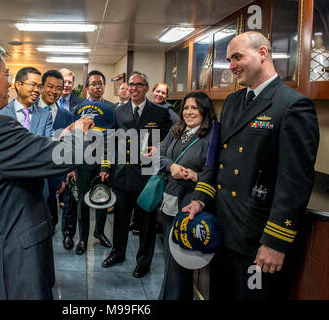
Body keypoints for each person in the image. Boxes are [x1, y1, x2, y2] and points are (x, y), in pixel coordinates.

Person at [0, 40, 94, 299]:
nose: (9, 83)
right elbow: (65, 155)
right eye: (6, 75)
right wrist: (78, 134)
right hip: (13, 264)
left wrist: (61, 138)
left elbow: (27, 155)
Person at [210, 31, 319, 300]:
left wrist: (275, 242)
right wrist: (202, 199)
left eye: (237, 57)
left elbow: (294, 181)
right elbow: (218, 159)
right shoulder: (234, 101)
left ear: (262, 54)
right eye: (229, 59)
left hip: (256, 240)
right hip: (223, 229)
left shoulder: (293, 105)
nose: (232, 65)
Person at [101, 71, 171, 279]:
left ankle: (143, 263)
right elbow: (110, 140)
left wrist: (157, 148)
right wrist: (105, 167)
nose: (134, 88)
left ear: (146, 88)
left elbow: (168, 139)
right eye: (131, 85)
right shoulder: (119, 111)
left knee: (146, 223)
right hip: (122, 173)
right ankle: (118, 253)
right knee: (120, 219)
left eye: (139, 85)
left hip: (147, 176)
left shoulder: (158, 112)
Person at [157, 92, 218, 300]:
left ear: (205, 111)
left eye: (194, 108)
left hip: (190, 208)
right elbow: (160, 155)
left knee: (179, 265)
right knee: (171, 263)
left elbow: (213, 173)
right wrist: (171, 166)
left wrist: (195, 176)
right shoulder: (176, 130)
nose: (189, 112)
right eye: (186, 108)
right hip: (168, 204)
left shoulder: (212, 137)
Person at [72, 70, 115, 254]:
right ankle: (82, 238)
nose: (98, 86)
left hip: (104, 162)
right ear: (87, 87)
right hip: (83, 162)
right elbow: (73, 138)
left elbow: (114, 137)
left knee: (102, 199)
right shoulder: (79, 109)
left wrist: (106, 164)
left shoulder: (112, 108)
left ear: (104, 86)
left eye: (101, 83)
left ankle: (99, 232)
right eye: (93, 83)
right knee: (83, 201)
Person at [38, 70, 74, 233]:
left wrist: (61, 176)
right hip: (32, 171)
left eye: (58, 88)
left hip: (54, 172)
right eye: (50, 86)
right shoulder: (29, 110)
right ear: (42, 87)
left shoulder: (65, 114)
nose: (54, 91)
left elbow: (66, 147)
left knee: (50, 220)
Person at [58, 68, 84, 249]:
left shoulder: (81, 105)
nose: (66, 85)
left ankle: (68, 234)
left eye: (69, 82)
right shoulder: (45, 103)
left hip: (72, 159)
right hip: (50, 156)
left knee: (70, 200)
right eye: (63, 81)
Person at [0, 67, 54, 137]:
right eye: (32, 85)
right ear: (18, 85)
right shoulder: (0, 113)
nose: (37, 90)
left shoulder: (45, 115)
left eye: (39, 87)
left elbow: (49, 142)